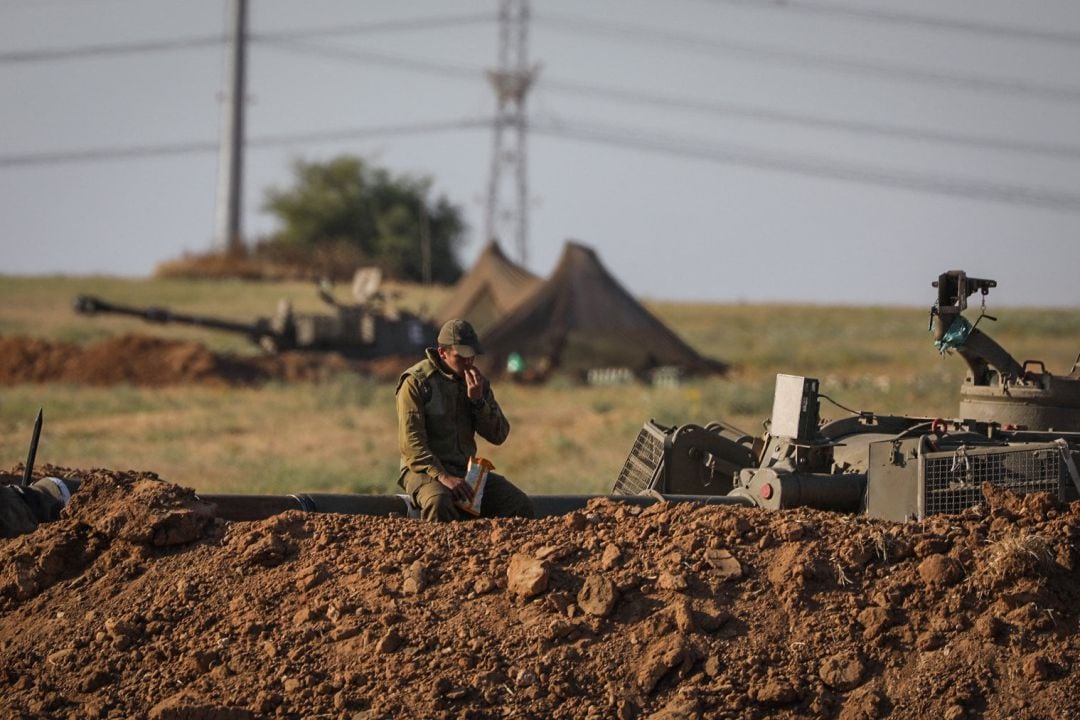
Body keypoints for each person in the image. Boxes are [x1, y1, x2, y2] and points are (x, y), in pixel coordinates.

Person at [395, 319, 534, 522]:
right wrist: (444, 477)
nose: (469, 363)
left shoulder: (478, 383)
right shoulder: (416, 383)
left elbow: (499, 434)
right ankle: (439, 552)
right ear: (442, 353)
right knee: (438, 501)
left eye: (472, 357)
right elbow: (412, 447)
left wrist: (477, 402)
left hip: (465, 472)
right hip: (424, 470)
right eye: (461, 357)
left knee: (518, 505)